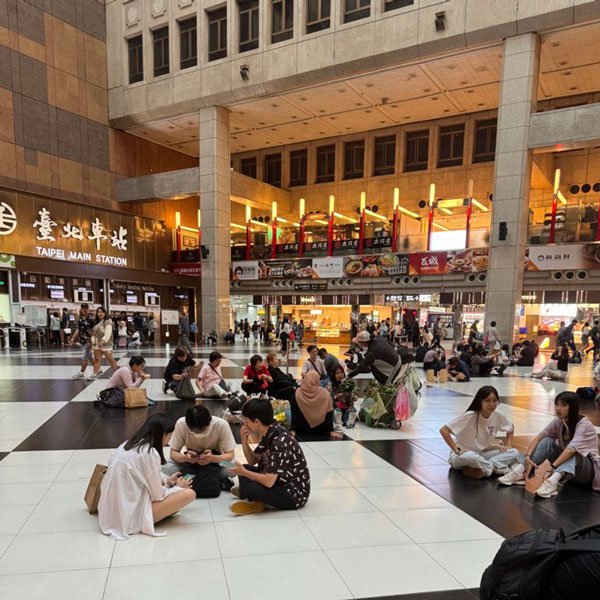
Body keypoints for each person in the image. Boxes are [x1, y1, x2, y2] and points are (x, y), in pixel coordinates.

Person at [98, 413, 195, 540]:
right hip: (130, 515)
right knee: (189, 494)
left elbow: (142, 474)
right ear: (163, 434)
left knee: (174, 495)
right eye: (169, 436)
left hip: (108, 511)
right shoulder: (150, 453)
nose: (168, 440)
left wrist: (167, 480)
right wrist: (178, 487)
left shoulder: (127, 444)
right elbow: (157, 495)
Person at [498, 392, 600, 497]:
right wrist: (527, 457)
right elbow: (539, 438)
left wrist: (551, 467)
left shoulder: (584, 425)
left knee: (573, 451)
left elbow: (571, 450)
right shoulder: (559, 421)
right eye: (557, 404)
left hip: (588, 473)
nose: (558, 408)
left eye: (563, 405)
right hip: (569, 470)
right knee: (547, 442)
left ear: (573, 407)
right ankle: (520, 471)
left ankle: (551, 483)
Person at [226, 398, 310, 515]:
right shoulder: (270, 431)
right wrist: (244, 441)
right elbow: (252, 461)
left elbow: (269, 482)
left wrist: (243, 472)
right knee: (246, 468)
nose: (245, 424)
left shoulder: (280, 441)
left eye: (246, 420)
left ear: (257, 422)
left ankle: (251, 498)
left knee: (251, 485)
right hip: (278, 480)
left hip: (293, 494)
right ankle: (247, 493)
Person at [439, 386, 520, 479]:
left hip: (483, 454)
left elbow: (510, 427)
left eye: (495, 400)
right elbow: (444, 430)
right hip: (463, 455)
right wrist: (457, 450)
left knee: (514, 452)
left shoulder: (497, 414)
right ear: (480, 401)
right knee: (470, 457)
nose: (492, 404)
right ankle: (495, 469)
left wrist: (508, 445)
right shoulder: (470, 415)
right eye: (487, 400)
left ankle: (479, 469)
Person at [169, 405, 236, 497]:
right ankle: (217, 480)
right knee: (165, 467)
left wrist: (212, 459)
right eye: (194, 430)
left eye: (202, 429)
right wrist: (186, 458)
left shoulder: (221, 424)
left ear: (209, 422)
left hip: (215, 463)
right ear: (187, 424)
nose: (198, 433)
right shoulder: (181, 424)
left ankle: (186, 479)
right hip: (191, 464)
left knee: (234, 467)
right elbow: (173, 453)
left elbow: (230, 455)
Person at [290, 371, 343, 439]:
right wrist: (331, 430)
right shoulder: (325, 394)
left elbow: (294, 413)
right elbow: (329, 413)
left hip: (301, 429)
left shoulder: (297, 393)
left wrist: (293, 429)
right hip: (321, 430)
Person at [90, 306, 118, 380]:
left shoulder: (108, 321)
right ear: (97, 313)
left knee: (111, 360)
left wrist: (103, 341)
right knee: (97, 360)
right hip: (97, 345)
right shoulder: (96, 322)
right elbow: (93, 334)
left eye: (102, 312)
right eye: (99, 312)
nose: (101, 313)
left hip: (106, 345)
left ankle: (117, 375)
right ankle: (95, 374)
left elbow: (108, 333)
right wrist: (93, 342)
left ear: (105, 313)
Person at [70, 303, 96, 380]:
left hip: (89, 341)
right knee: (89, 357)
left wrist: (92, 339)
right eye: (83, 308)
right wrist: (73, 338)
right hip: (82, 341)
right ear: (81, 309)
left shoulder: (91, 319)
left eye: (86, 308)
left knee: (85, 357)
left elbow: (94, 331)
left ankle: (81, 373)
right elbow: (78, 329)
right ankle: (97, 370)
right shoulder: (80, 319)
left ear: (88, 309)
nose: (84, 310)